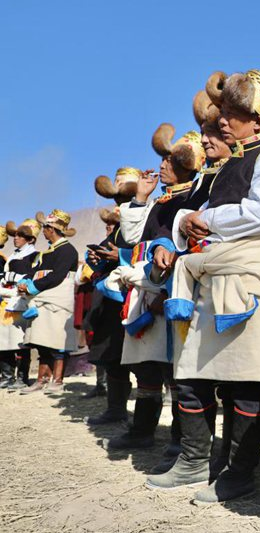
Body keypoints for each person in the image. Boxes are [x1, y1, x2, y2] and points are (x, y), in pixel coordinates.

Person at [146, 69, 260, 505]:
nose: (224, 121)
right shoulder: (227, 164)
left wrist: (207, 220)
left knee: (246, 382)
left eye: (234, 114)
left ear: (258, 120)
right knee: (193, 376)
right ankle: (195, 462)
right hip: (214, 279)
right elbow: (189, 215)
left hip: (253, 281)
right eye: (225, 113)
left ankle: (238, 474)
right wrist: (183, 224)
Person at [97, 125, 205, 454]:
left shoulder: (195, 198)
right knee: (146, 369)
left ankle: (179, 440)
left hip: (171, 294)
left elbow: (188, 251)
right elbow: (135, 240)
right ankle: (142, 431)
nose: (162, 166)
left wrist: (167, 293)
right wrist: (142, 197)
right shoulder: (162, 201)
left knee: (176, 372)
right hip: (146, 293)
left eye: (170, 160)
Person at [84, 168, 141, 421]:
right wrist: (97, 258)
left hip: (136, 297)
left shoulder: (144, 216)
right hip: (111, 300)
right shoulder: (118, 226)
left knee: (143, 363)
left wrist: (120, 256)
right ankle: (116, 409)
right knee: (112, 356)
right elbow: (108, 258)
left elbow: (146, 250)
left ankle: (145, 425)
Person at [17, 210, 79, 394]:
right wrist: (25, 282)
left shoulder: (68, 250)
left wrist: (33, 287)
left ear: (52, 229)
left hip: (56, 300)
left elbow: (58, 276)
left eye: (45, 227)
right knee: (42, 340)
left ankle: (57, 380)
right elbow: (36, 271)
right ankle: (42, 379)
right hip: (42, 299)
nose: (43, 231)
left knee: (57, 340)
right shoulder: (47, 253)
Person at [0, 218, 40, 390]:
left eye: (21, 235)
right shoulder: (13, 255)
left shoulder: (35, 256)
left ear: (30, 239)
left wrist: (12, 279)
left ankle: (22, 377)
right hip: (7, 301)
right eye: (15, 235)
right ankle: (7, 375)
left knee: (22, 342)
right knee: (4, 340)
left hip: (22, 301)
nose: (16, 238)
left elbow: (30, 277)